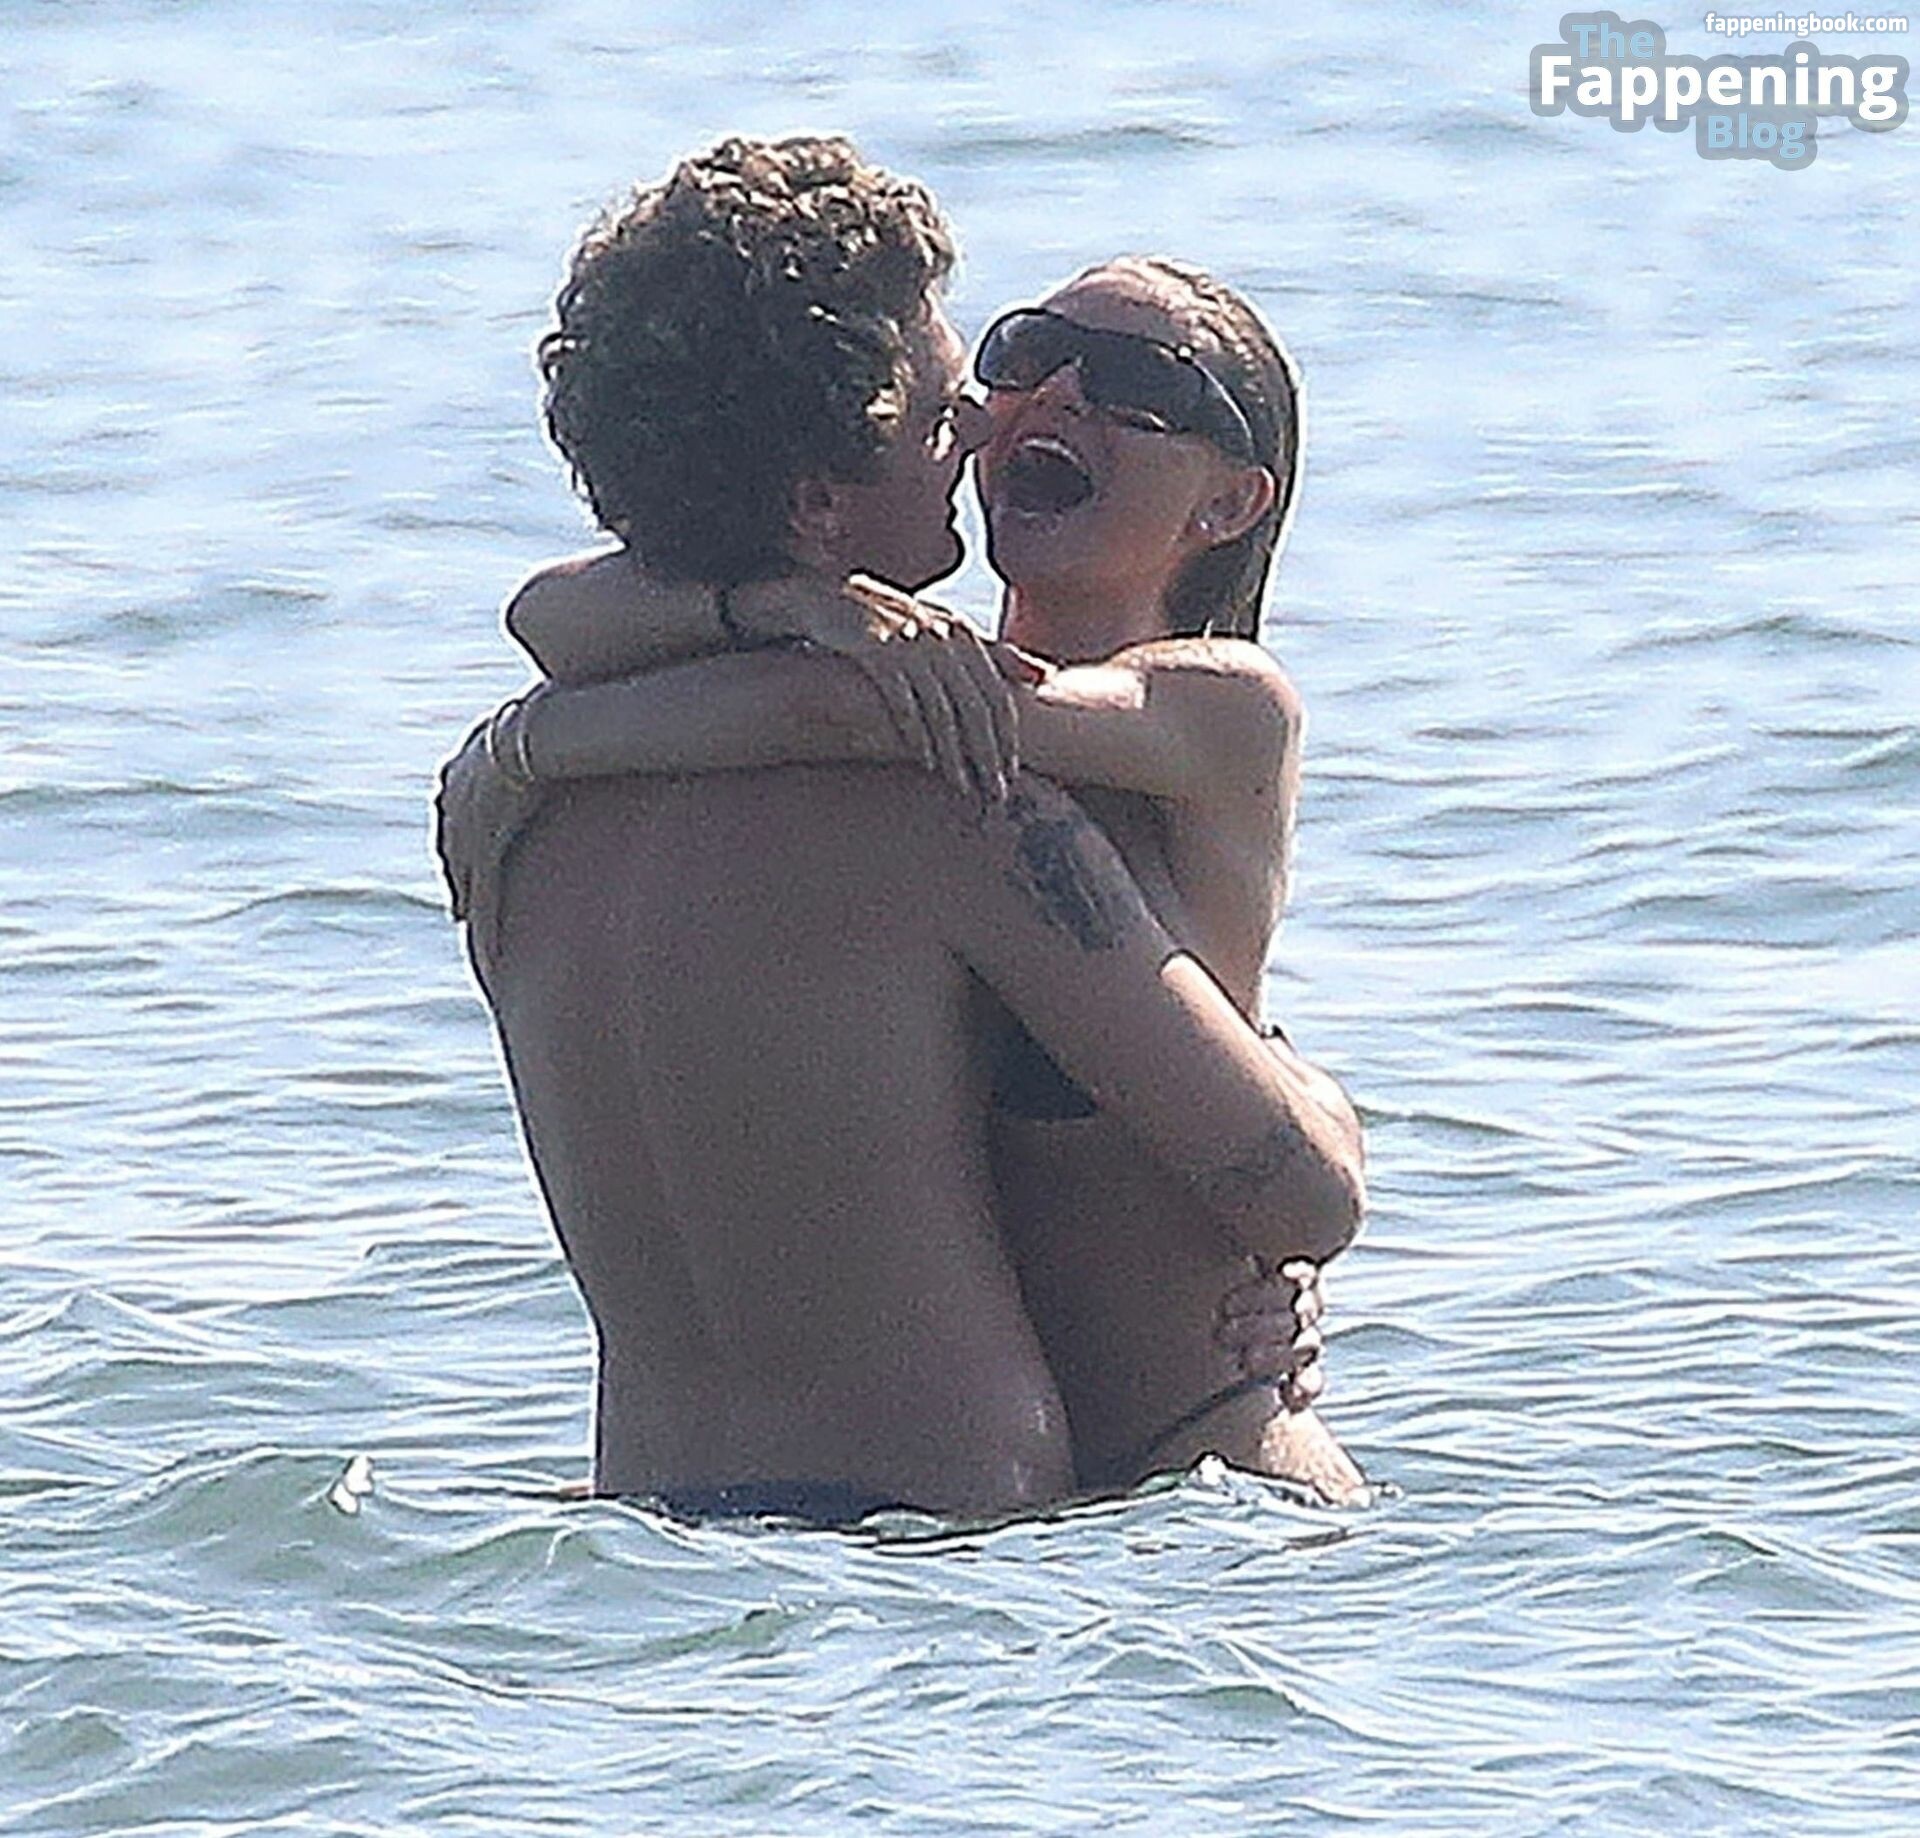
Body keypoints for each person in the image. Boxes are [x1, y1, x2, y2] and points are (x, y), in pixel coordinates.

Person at [440, 135, 1364, 1523]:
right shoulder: (953, 791)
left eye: (1141, 387)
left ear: (1233, 503)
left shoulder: (522, 822)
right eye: (980, 385)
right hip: (991, 1538)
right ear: (824, 496)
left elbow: (572, 622)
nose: (999, 417)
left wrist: (531, 743)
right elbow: (1296, 1191)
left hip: (647, 1523)